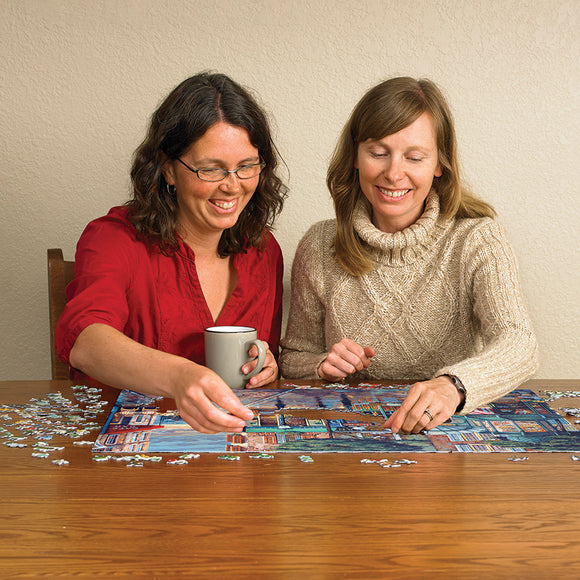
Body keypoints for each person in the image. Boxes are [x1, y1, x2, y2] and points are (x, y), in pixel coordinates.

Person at [280, 76, 538, 434]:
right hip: (352, 437)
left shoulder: (478, 238)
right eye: (378, 153)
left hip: (450, 435)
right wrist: (323, 365)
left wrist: (453, 386)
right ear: (356, 156)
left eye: (414, 157)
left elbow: (519, 342)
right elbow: (292, 359)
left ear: (439, 164)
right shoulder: (319, 244)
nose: (393, 173)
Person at [56, 72, 287, 434]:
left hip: (234, 458)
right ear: (167, 168)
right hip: (126, 460)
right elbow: (86, 342)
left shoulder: (264, 251)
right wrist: (181, 377)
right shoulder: (113, 239)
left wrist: (268, 364)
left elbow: (263, 358)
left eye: (246, 166)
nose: (232, 185)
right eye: (209, 169)